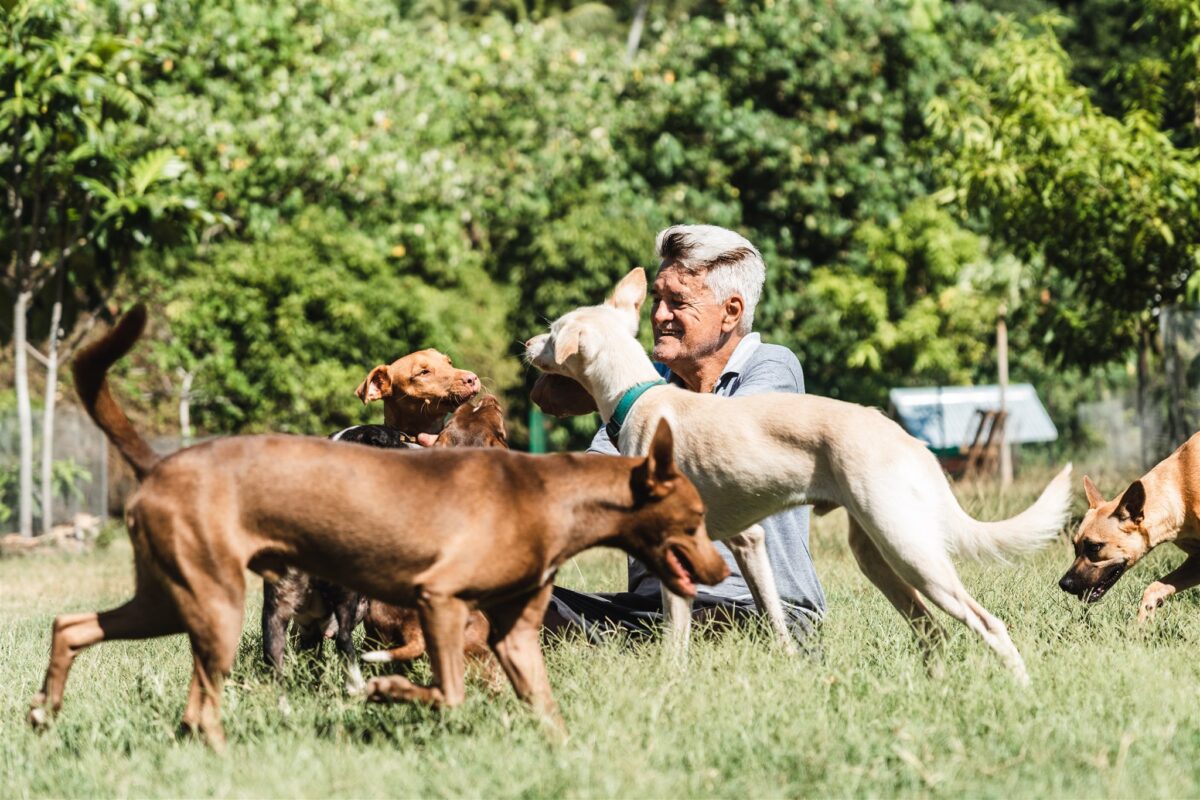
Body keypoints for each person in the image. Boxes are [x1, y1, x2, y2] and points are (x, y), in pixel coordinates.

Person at [534, 224, 826, 644]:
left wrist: (602, 382)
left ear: (731, 312)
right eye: (656, 299)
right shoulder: (647, 388)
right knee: (515, 604)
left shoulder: (771, 366)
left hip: (755, 609)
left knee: (704, 634)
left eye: (678, 302)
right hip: (652, 609)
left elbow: (717, 444)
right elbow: (589, 476)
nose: (658, 316)